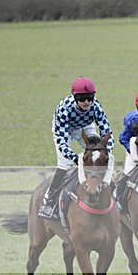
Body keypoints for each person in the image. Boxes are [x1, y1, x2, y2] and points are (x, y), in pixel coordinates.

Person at [37, 76, 114, 219]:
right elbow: (62, 143)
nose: (87, 102)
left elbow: (107, 131)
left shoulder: (96, 107)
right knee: (64, 165)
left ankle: (111, 190)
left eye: (90, 98)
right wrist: (76, 158)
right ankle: (49, 200)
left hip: (85, 126)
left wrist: (106, 150)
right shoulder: (64, 109)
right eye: (82, 99)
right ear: (75, 97)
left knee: (102, 156)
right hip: (65, 130)